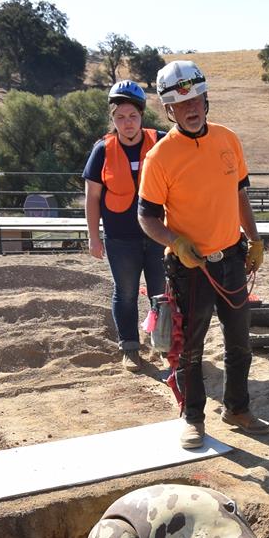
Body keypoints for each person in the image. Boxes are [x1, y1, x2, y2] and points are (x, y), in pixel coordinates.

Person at [138, 60, 269, 449]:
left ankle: (237, 408)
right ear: (169, 111)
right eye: (182, 104)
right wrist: (176, 243)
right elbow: (146, 217)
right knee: (190, 348)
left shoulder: (228, 140)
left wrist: (256, 239)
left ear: (206, 99)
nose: (191, 108)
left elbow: (241, 194)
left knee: (239, 341)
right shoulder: (160, 157)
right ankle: (192, 417)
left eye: (196, 99)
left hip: (232, 258)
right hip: (189, 267)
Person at [82, 80, 164, 361]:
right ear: (112, 119)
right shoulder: (102, 151)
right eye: (120, 117)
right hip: (119, 238)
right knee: (126, 293)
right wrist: (94, 236)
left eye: (133, 116)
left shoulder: (162, 142)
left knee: (161, 294)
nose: (127, 123)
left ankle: (163, 344)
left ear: (142, 116)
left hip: (159, 235)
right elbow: (92, 197)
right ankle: (129, 347)